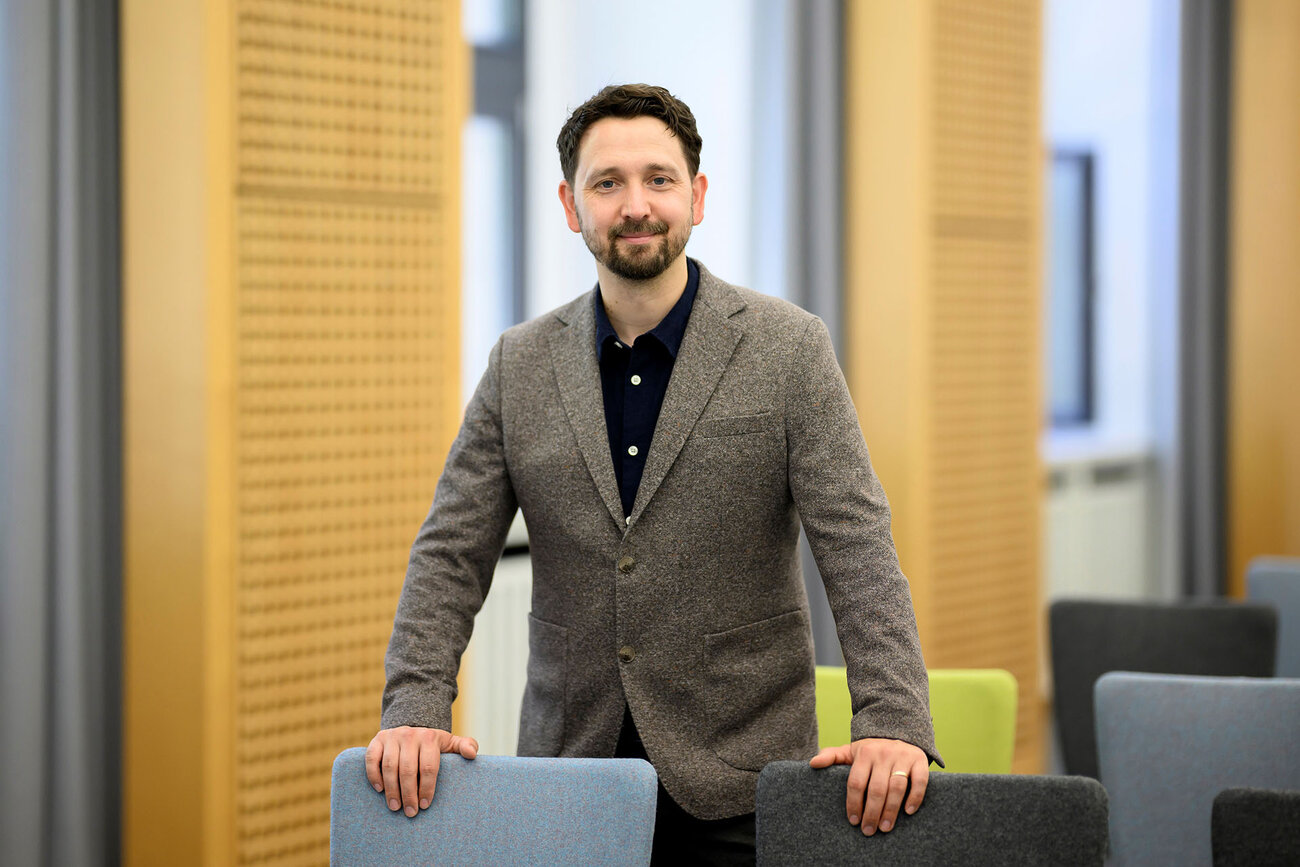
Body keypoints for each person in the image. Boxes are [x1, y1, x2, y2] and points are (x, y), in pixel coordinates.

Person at [365, 83, 940, 862]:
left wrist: (892, 719)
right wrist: (415, 702)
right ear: (572, 207)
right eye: (607, 183)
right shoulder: (519, 364)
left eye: (659, 179)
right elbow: (448, 554)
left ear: (696, 196)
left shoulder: (789, 348)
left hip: (742, 773)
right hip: (572, 772)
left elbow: (859, 547)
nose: (636, 204)